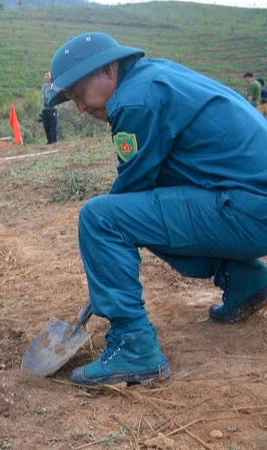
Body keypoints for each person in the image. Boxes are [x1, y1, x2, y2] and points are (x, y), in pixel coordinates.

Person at [46, 32, 267, 386]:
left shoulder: (135, 100)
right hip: (249, 203)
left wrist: (104, 256)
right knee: (138, 208)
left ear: (107, 71)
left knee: (100, 218)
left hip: (249, 208)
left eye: (78, 94)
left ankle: (134, 347)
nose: (82, 108)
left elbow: (129, 192)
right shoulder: (154, 76)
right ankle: (245, 280)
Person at [41, 71, 58, 144]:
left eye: (48, 75)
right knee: (46, 126)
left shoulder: (54, 86)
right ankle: (49, 141)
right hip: (44, 110)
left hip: (52, 109)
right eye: (45, 76)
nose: (47, 77)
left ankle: (53, 142)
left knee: (52, 126)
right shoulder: (43, 87)